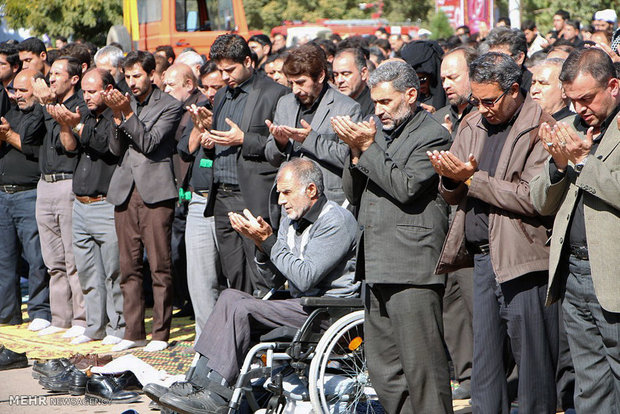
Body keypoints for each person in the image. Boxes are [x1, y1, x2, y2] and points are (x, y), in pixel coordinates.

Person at [149, 158, 360, 413]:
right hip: (300, 306)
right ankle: (195, 384)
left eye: (286, 193)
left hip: (327, 312)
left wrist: (269, 242)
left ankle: (216, 395)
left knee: (243, 310)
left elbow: (305, 277)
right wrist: (260, 246)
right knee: (229, 297)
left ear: (311, 190)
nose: (281, 200)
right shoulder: (290, 218)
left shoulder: (336, 221)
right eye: (279, 193)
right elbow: (272, 280)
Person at [429, 52, 559, 414]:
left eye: (490, 100)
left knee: (533, 370)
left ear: (515, 89)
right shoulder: (472, 123)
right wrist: (450, 178)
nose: (483, 108)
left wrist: (472, 179)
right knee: (485, 367)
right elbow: (453, 192)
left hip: (523, 260)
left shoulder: (540, 127)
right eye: (477, 100)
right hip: (480, 258)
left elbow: (532, 199)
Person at [335, 60, 453, 413]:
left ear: (411, 95)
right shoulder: (378, 134)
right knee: (385, 373)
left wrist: (368, 148)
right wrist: (355, 152)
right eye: (375, 102)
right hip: (376, 264)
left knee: (424, 372)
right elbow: (354, 195)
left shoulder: (433, 134)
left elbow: (406, 187)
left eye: (386, 102)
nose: (378, 110)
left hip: (413, 268)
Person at [530, 47, 620, 414]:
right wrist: (557, 166)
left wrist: (583, 162)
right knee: (589, 386)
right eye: (572, 101)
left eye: (587, 99)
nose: (580, 109)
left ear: (613, 86)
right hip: (574, 275)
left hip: (613, 275)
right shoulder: (569, 128)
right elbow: (540, 201)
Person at [104, 50, 183, 352]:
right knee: (128, 267)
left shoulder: (171, 105)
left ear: (153, 75)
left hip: (156, 193)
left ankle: (160, 333)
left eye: (137, 75)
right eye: (127, 76)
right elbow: (114, 149)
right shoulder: (125, 101)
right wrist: (117, 115)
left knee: (160, 267)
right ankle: (133, 332)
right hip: (125, 191)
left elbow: (150, 143)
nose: (131, 82)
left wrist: (126, 114)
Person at [202, 34, 288, 296]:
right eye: (220, 70)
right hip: (222, 195)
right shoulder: (222, 97)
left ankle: (267, 333)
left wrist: (244, 139)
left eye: (230, 69)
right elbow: (221, 141)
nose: (224, 76)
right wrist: (209, 139)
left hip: (252, 194)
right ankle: (241, 331)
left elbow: (282, 146)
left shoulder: (275, 94)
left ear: (249, 61)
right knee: (234, 274)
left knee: (261, 274)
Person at [47, 68, 125, 345]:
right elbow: (69, 148)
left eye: (92, 92)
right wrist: (66, 125)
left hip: (105, 204)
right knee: (88, 271)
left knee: (113, 272)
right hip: (80, 203)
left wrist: (77, 125)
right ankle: (94, 327)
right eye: (85, 92)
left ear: (108, 89)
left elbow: (108, 147)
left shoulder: (115, 117)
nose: (87, 97)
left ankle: (118, 327)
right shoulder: (86, 116)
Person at [433, 46, 477, 400]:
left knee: (480, 307)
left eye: (453, 76)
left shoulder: (483, 115)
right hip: (447, 225)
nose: (445, 83)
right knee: (452, 302)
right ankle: (466, 372)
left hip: (476, 222)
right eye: (443, 77)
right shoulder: (443, 115)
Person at [264, 43, 361, 206]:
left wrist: (310, 140)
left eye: (301, 82)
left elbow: (349, 159)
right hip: (289, 204)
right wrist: (279, 143)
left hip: (328, 203)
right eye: (291, 83)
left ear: (321, 76)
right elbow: (270, 156)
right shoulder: (285, 104)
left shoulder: (346, 107)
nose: (295, 90)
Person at [35, 56, 88, 338]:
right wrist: (40, 104)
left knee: (73, 259)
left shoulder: (78, 105)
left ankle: (81, 320)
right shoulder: (45, 101)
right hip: (44, 184)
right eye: (50, 73)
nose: (51, 78)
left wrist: (47, 106)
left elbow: (68, 146)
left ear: (74, 79)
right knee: (52, 260)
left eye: (57, 74)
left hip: (68, 183)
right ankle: (60, 318)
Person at [0, 69, 50, 330]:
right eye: (13, 90)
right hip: (3, 195)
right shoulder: (9, 112)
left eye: (22, 90)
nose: (16, 95)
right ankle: (7, 314)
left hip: (29, 193)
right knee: (4, 259)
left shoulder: (41, 114)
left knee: (36, 258)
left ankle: (40, 311)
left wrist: (9, 136)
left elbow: (32, 147)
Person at [434, 46, 478, 137]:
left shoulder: (486, 114)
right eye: (443, 79)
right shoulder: (437, 119)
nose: (445, 85)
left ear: (473, 74)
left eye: (452, 77)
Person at [332, 48, 374, 117]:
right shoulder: (332, 103)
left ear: (363, 73)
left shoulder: (375, 104)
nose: (339, 80)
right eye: (335, 75)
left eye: (346, 74)